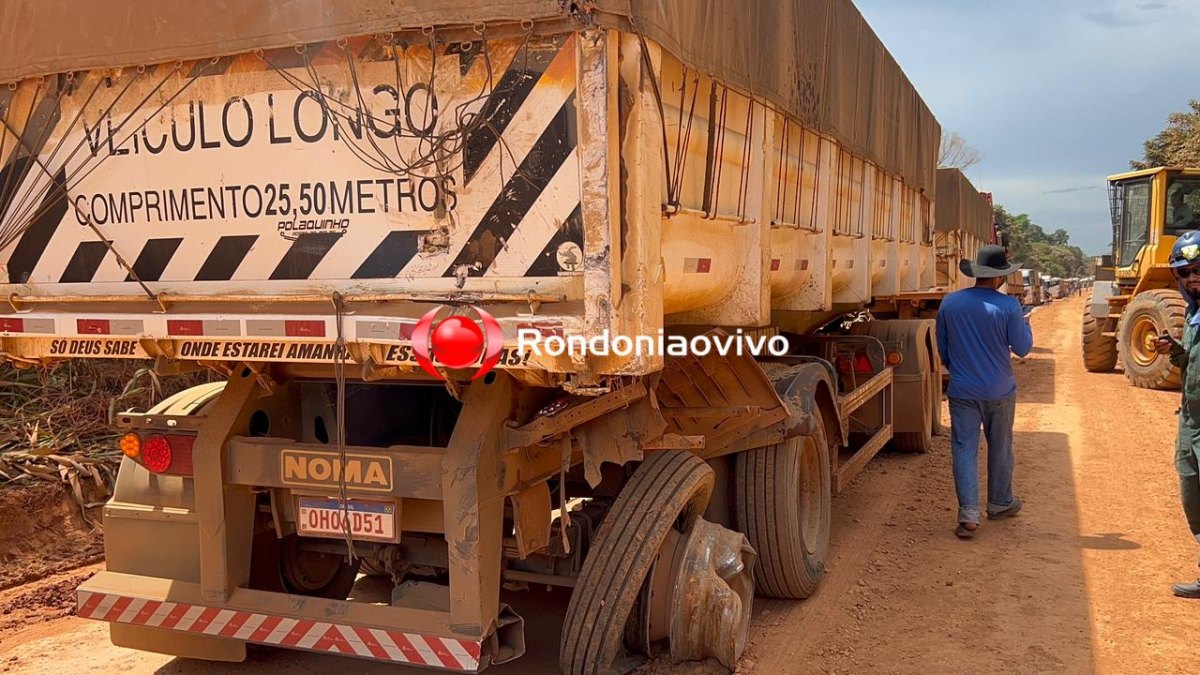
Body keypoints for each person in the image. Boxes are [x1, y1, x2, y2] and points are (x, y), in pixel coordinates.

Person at [937, 245, 1034, 540]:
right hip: (1000, 389)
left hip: (963, 389)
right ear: (1000, 277)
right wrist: (1025, 324)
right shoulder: (1008, 307)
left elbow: (944, 350)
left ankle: (968, 515)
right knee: (1001, 445)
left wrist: (960, 370)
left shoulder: (950, 303)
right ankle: (1000, 503)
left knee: (964, 449)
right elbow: (1023, 348)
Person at [1153, 231, 1200, 597]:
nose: (1192, 279)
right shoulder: (1193, 312)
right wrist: (1176, 351)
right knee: (1192, 497)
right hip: (1190, 420)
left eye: (1199, 270)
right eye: (1184, 273)